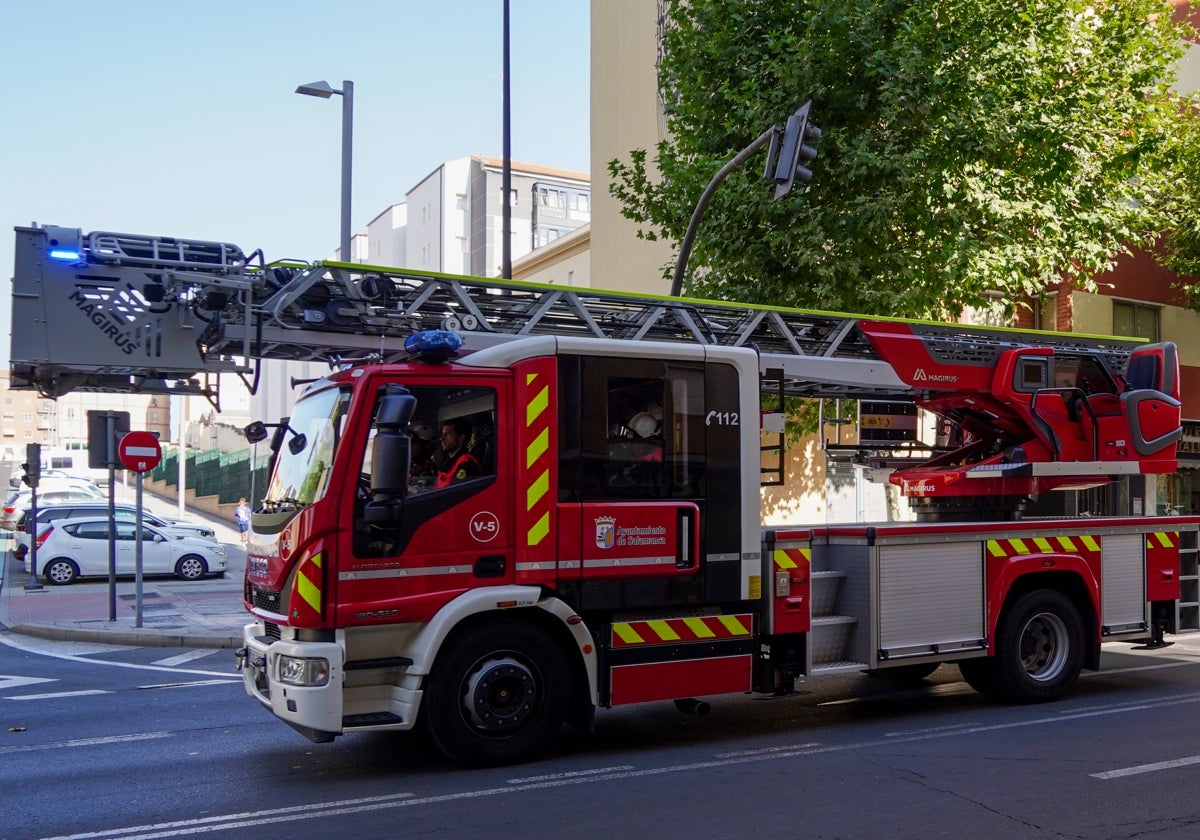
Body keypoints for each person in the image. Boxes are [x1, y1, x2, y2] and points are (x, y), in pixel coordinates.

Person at [435, 418, 481, 488]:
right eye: (442, 434)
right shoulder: (447, 461)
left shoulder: (466, 463)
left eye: (447, 434)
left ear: (461, 438)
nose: (442, 438)